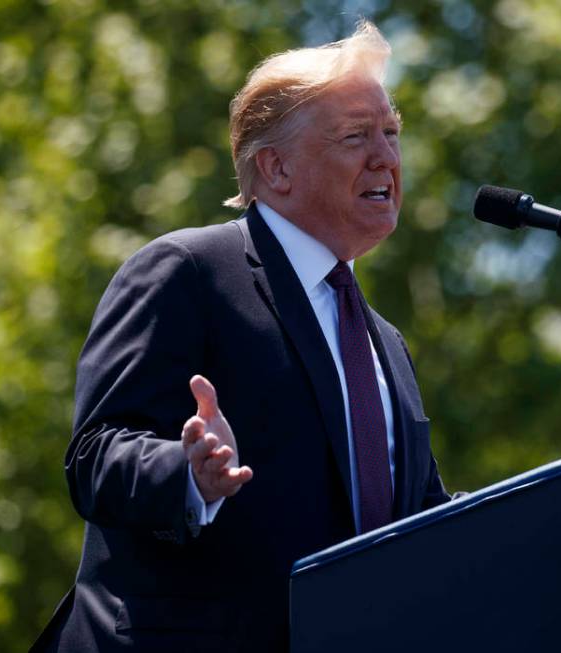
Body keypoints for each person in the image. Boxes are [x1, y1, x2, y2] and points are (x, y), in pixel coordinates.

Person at [30, 20, 452, 652]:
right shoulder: (188, 272)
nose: (386, 157)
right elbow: (95, 456)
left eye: (391, 133)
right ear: (276, 167)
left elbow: (423, 520)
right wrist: (188, 473)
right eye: (356, 136)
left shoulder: (384, 342)